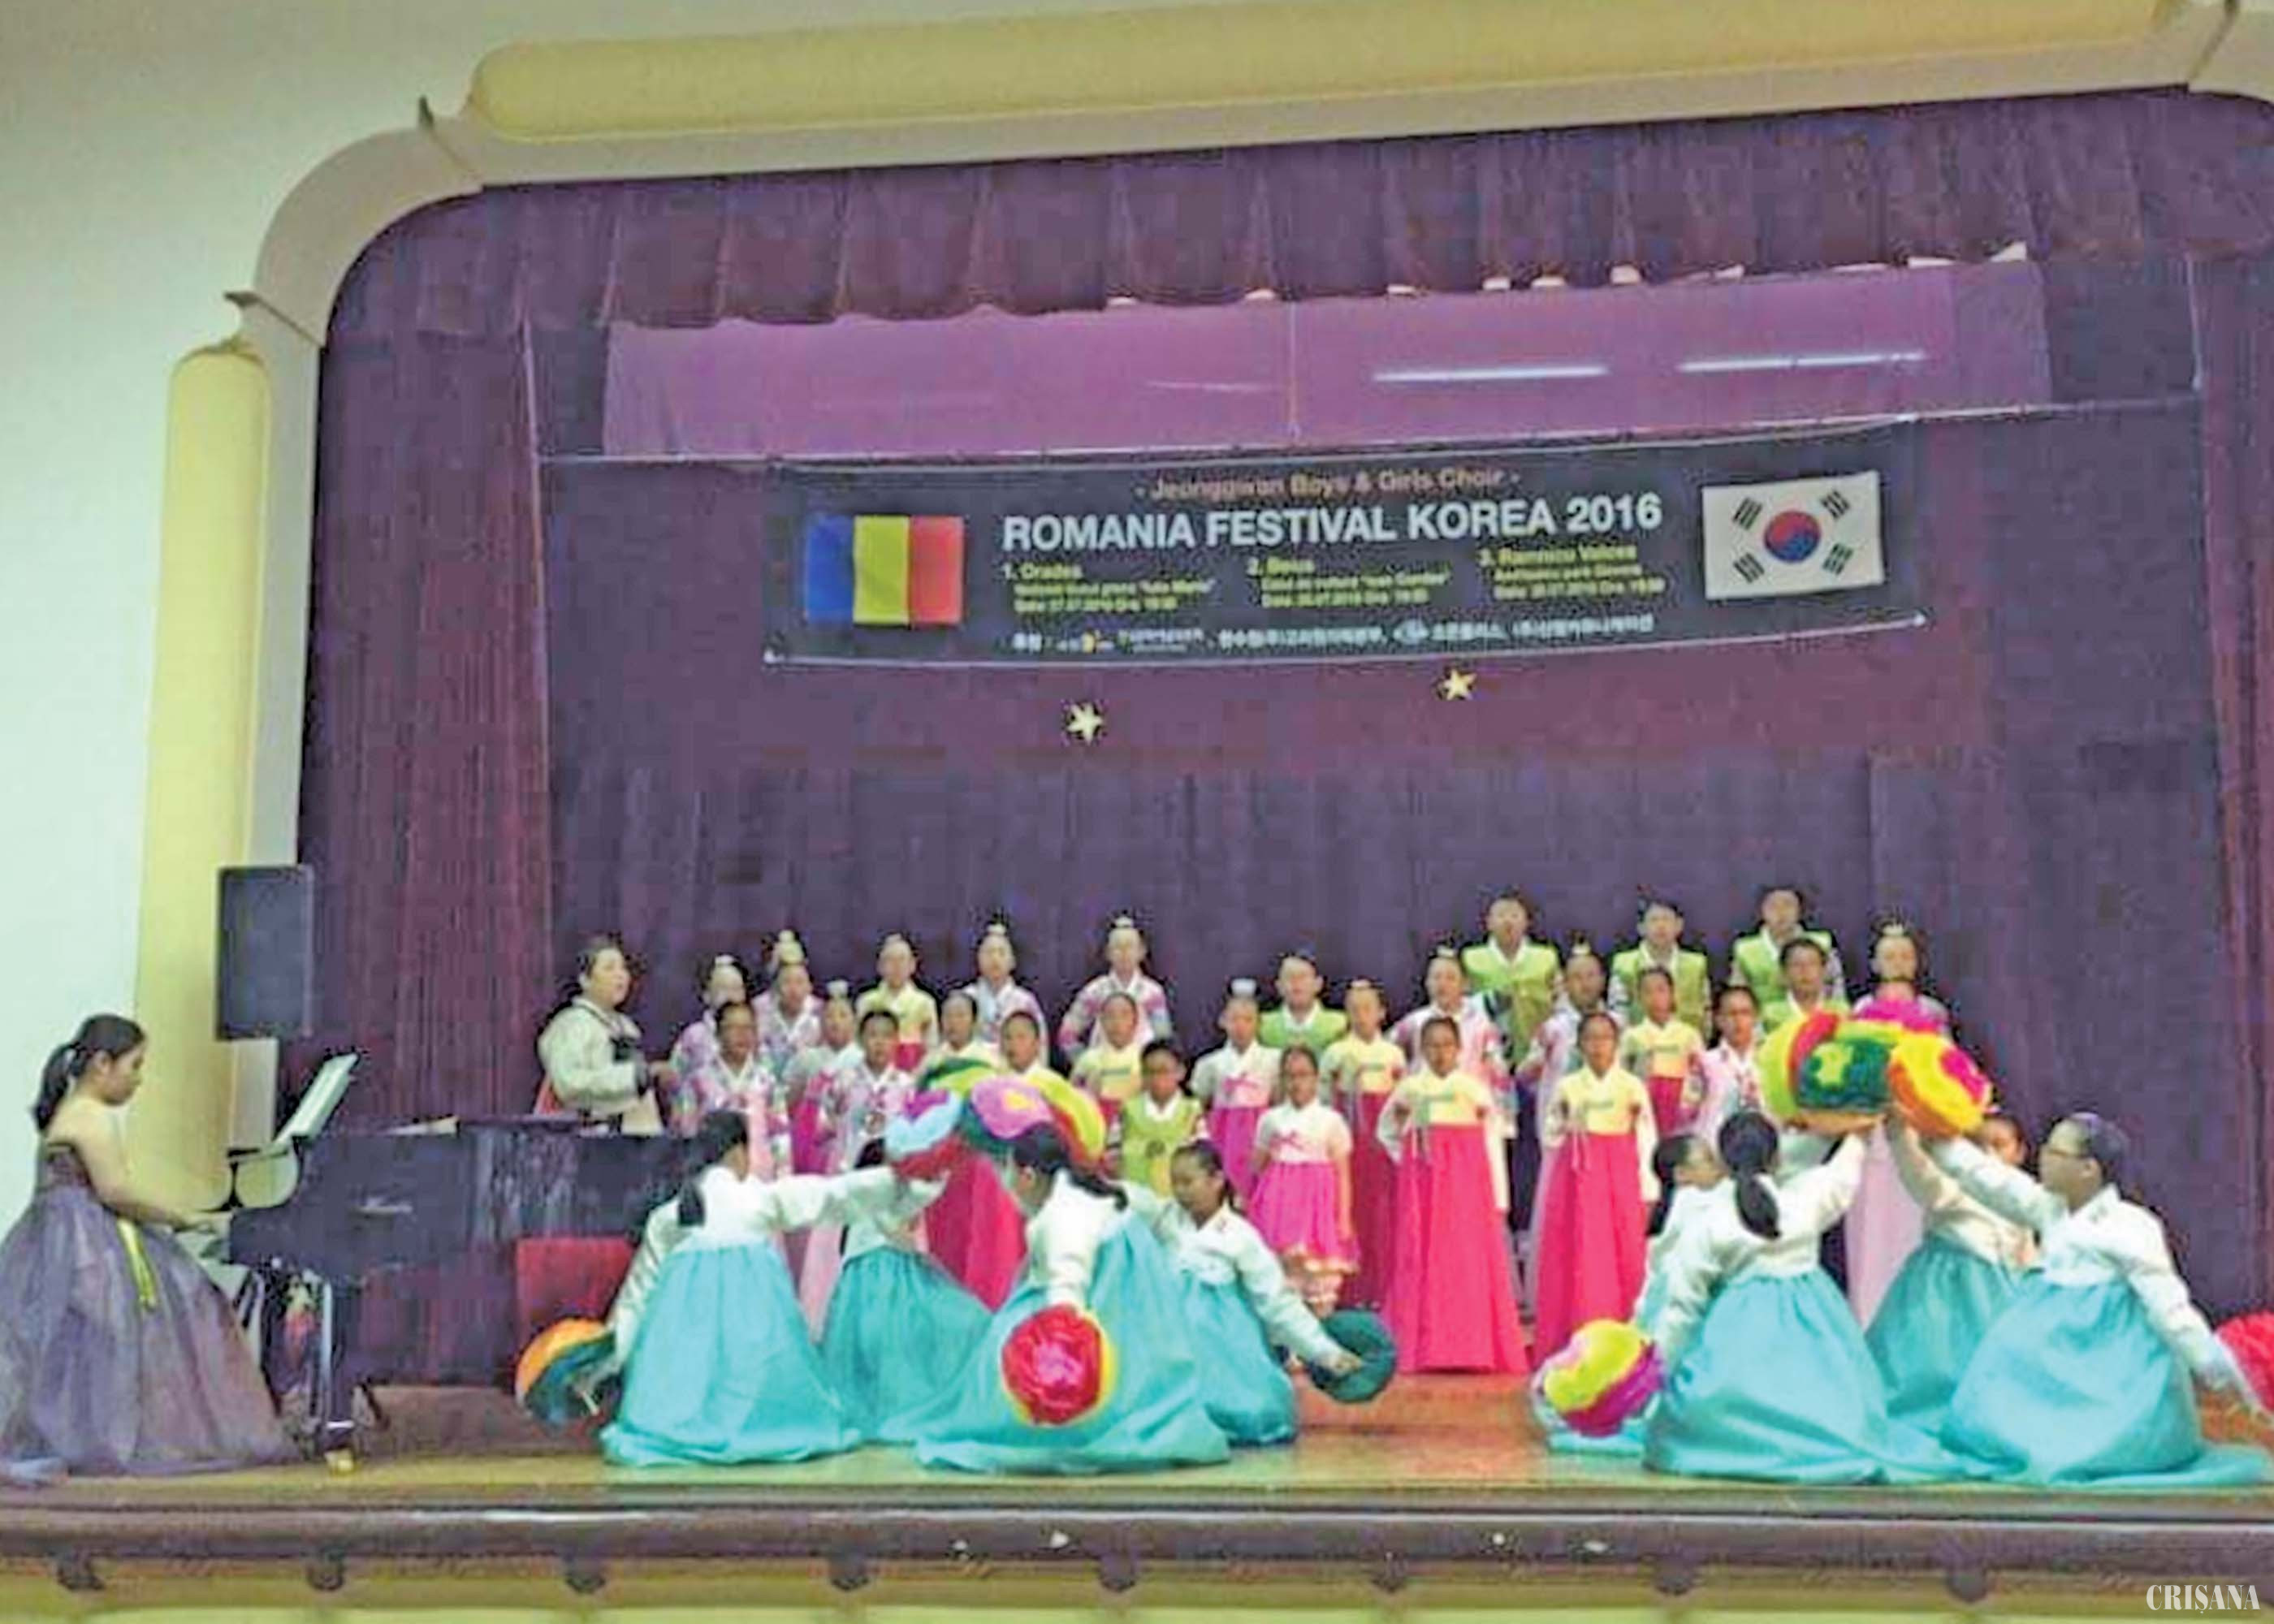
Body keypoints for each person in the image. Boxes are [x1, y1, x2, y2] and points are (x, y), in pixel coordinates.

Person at [0, 1017, 288, 1479]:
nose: (139, 1079)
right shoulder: (91, 1115)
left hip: (57, 1239)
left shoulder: (72, 1110)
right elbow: (116, 1191)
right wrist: (182, 1218)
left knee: (64, 1350)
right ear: (102, 1064)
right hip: (85, 1243)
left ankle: (78, 1438)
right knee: (177, 1306)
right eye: (134, 1066)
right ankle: (114, 1440)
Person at [1926, 1113, 2272, 1487]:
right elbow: (1992, 1182)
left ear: (2088, 1169)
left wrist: (2215, 1369)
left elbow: (2170, 1307)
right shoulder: (2050, 1208)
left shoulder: (2131, 1226)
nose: (2043, 1158)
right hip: (2046, 1354)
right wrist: (1935, 1137)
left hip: (2111, 1366)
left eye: (2056, 1152)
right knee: (2003, 1380)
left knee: (2092, 1437)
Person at [602, 1112, 940, 1466]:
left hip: (683, 1363)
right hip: (756, 1349)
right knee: (770, 1386)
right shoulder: (758, 1201)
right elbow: (834, 1195)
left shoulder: (670, 1216)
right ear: (738, 1154)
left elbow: (637, 1296)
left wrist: (610, 1360)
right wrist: (912, 1177)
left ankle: (687, 1424)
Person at [904, 1125, 1232, 1474]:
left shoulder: (1063, 1214)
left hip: (1093, 1301)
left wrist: (1060, 1351)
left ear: (1028, 1176)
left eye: (1008, 1170)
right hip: (1128, 1308)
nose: (1006, 1181)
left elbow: (1068, 1280)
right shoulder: (1092, 1192)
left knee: (1000, 1361)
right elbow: (1153, 1208)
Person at [1644, 1114, 1952, 1484]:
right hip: (1814, 1326)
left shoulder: (1708, 1220)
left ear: (1724, 1163)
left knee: (1701, 1408)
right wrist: (1858, 1133)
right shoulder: (1804, 1201)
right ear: (1776, 1160)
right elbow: (1841, 1176)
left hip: (1736, 1341)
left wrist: (1654, 1377)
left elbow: (1682, 1308)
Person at [1137, 1142, 1360, 1446]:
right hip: (1169, 1335)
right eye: (1175, 1183)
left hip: (1225, 1346)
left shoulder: (1241, 1237)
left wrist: (1326, 1353)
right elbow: (1126, 1199)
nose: (1180, 1191)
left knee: (1249, 1412)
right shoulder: (1165, 1218)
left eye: (1188, 1182)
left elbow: (1276, 1302)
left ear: (1216, 1180)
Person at [1536, 1131, 1723, 1458]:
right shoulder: (1695, 1203)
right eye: (1706, 1160)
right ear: (1682, 1174)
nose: (1716, 1166)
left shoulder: (1677, 1209)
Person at [1863, 1116, 2036, 1432]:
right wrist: (1900, 1135)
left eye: (1999, 1145)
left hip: (2001, 1294)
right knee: (1925, 1366)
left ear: (2020, 1152)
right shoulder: (1952, 1187)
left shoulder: (2023, 1195)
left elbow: (2027, 1250)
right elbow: (1920, 1176)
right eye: (1977, 1145)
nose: (1988, 1154)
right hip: (1943, 1294)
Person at [1377, 1016, 1528, 1375]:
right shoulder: (1411, 1089)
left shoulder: (1474, 1091)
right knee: (1422, 1255)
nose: (1440, 1053)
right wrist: (1410, 1161)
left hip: (1468, 1189)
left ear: (1459, 1049)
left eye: (1447, 1045)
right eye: (1432, 1045)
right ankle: (1424, 1347)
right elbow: (1387, 1131)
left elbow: (1492, 1141)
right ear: (1421, 1049)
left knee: (1467, 1258)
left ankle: (1470, 1346)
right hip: (1424, 1189)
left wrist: (1498, 1196)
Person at [820, 1144, 992, 1443]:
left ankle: (885, 1409)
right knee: (896, 1345)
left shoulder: (874, 1200)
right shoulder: (874, 1199)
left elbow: (916, 1205)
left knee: (886, 1349)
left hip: (880, 1277)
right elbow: (900, 1225)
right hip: (887, 1277)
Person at [1840, 923, 1952, 1323]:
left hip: (1917, 1125)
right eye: (1889, 956)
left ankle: (1916, 1318)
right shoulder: (1859, 1011)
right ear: (1874, 963)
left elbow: (1947, 1066)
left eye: (1905, 955)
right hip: (1873, 1127)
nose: (1898, 963)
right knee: (1871, 1226)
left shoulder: (1932, 1012)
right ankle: (1868, 1315)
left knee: (1914, 1216)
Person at [1533, 1011, 1657, 1362]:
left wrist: (1648, 1187)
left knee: (1624, 1251)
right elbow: (1550, 1135)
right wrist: (1567, 1124)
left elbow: (1647, 1136)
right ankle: (1578, 1333)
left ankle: (1625, 1336)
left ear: (1617, 1044)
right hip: (1578, 1178)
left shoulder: (1631, 1087)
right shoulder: (1568, 1086)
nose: (1598, 1046)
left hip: (1621, 1174)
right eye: (1591, 1038)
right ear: (1580, 1045)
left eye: (1605, 1038)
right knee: (1581, 1251)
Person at [798, 1010, 915, 1333]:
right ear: (861, 1040)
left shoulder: (907, 1086)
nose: (880, 1043)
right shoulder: (842, 1082)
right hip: (847, 1177)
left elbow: (916, 1138)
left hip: (891, 1182)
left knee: (889, 1246)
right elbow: (821, 1130)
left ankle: (892, 1321)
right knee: (838, 1247)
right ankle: (830, 1319)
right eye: (873, 1035)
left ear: (897, 1041)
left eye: (887, 1036)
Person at [1249, 1046, 1357, 1314]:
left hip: (1317, 1209)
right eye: (1290, 1076)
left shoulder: (1331, 1121)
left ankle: (1320, 1332)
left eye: (1303, 1075)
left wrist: (1343, 1218)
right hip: (1279, 1209)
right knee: (1283, 1281)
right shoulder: (1271, 1120)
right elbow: (1257, 1166)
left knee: (1319, 1281)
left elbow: (1342, 1174)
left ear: (1316, 1078)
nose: (1296, 1083)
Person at [1321, 979, 1405, 1309]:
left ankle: (1386, 1287)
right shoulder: (1336, 1053)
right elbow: (1326, 1101)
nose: (1361, 1015)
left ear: (1381, 1012)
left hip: (1382, 1146)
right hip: (1350, 1143)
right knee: (1351, 1210)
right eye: (1354, 1009)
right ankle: (1353, 1289)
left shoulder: (1393, 1054)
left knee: (1384, 1212)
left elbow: (1401, 1103)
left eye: (1368, 1008)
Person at [536, 935, 670, 1134]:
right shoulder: (573, 1024)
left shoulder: (626, 1027)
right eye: (609, 968)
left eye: (623, 968)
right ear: (585, 980)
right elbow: (569, 1084)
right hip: (586, 1136)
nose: (620, 976)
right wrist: (633, 1077)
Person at [1189, 982, 1283, 1203]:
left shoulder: (1274, 1059)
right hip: (1224, 1134)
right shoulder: (1209, 1063)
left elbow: (1278, 1101)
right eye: (1234, 1019)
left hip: (1260, 1133)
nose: (1240, 1026)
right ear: (1222, 1021)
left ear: (1259, 1023)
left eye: (1248, 1020)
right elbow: (1201, 1104)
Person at [1460, 891, 1562, 1060]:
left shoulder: (1547, 958)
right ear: (1489, 923)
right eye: (1501, 915)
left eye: (1514, 915)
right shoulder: (1471, 959)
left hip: (1538, 1050)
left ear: (1527, 922)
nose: (1508, 922)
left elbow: (1560, 1003)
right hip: (1485, 1053)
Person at [681, 1000, 779, 1176]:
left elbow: (780, 1134)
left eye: (748, 1028)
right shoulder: (698, 1081)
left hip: (760, 1176)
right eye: (733, 1028)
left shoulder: (767, 1081)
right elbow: (687, 1132)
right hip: (711, 1174)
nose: (742, 1035)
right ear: (718, 1034)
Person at [1057, 914, 1174, 1055]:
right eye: (1117, 947)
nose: (1124, 953)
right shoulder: (1095, 991)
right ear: (1108, 953)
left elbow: (1163, 1040)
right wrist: (1084, 1061)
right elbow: (1066, 1035)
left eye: (1130, 946)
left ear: (1142, 952)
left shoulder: (1152, 992)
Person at [780, 982, 860, 1177]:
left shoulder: (863, 1059)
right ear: (820, 1021)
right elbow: (789, 1104)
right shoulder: (805, 1059)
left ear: (855, 1022)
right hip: (812, 1144)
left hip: (852, 1141)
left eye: (843, 1015)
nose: (836, 1022)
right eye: (829, 1016)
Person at [1616, 966, 1706, 1137]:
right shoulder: (1631, 1037)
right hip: (1646, 1104)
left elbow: (1698, 1074)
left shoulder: (1689, 1034)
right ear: (1639, 998)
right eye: (1647, 992)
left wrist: (1690, 1104)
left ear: (1672, 994)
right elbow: (1623, 1075)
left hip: (1680, 1105)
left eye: (1661, 990)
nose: (1655, 998)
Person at [1729, 885, 1848, 1012]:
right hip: (1763, 1018)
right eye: (1773, 906)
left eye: (1788, 905)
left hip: (1815, 1016)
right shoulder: (1745, 950)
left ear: (1800, 910)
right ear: (1762, 911)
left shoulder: (1822, 943)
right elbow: (1737, 995)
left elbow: (1836, 986)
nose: (1781, 913)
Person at [1118, 1039, 1206, 1199]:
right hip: (1135, 1197)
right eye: (1150, 1072)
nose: (1157, 1078)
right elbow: (1112, 1157)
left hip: (1180, 1198)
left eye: (1163, 1071)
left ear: (1180, 1072)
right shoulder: (1127, 1110)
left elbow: (1202, 1158)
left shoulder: (1193, 1112)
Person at [1610, 898, 1712, 1032]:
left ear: (1679, 926)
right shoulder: (1623, 964)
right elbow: (1618, 1013)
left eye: (1666, 920)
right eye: (1654, 920)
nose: (1661, 926)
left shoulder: (1696, 964)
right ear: (1641, 928)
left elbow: (1706, 1012)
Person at [668, 952, 754, 1107]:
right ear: (707, 995)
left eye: (736, 989)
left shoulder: (755, 1032)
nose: (730, 996)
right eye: (723, 989)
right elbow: (675, 1082)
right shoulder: (693, 1037)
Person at [1692, 985, 1766, 1145]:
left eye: (1745, 1013)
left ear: (1756, 1018)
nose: (1738, 1021)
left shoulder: (1769, 1061)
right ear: (1718, 1020)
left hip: (1762, 1144)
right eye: (1731, 1014)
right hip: (1714, 1145)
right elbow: (1689, 1110)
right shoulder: (1704, 1062)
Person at [858, 934, 939, 1072]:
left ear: (913, 965)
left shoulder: (925, 1002)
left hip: (914, 1070)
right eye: (890, 960)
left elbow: (932, 1047)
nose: (897, 966)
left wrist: (918, 1074)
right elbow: (859, 1045)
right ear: (880, 966)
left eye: (902, 960)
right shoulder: (867, 1002)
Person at [961, 922, 1045, 1048]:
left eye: (1002, 953)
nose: (995, 959)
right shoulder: (966, 998)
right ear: (978, 959)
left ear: (1013, 962)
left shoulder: (1025, 1001)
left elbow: (1040, 1045)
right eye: (989, 953)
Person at [1069, 992, 1148, 1123]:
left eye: (1124, 1015)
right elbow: (1073, 1098)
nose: (1117, 1022)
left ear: (1135, 1021)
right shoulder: (1087, 1059)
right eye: (1110, 1016)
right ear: (1101, 1021)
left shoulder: (1145, 1058)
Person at [756, 937, 822, 1076]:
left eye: (799, 982)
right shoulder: (758, 1010)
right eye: (787, 982)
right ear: (776, 986)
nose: (794, 990)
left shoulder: (821, 1012)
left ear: (809, 986)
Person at [1259, 953, 1347, 1057]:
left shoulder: (1340, 1026)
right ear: (1279, 986)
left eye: (1303, 976)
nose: (1296, 982)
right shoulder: (1261, 1026)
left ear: (1318, 984)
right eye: (1289, 977)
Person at [1760, 936, 1848, 1033]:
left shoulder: (1841, 1012)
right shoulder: (1769, 1015)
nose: (1805, 971)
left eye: (1812, 964)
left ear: (1824, 971)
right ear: (1784, 973)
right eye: (1796, 965)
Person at [929, 990, 1001, 1070]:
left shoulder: (990, 1059)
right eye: (948, 1015)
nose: (953, 1021)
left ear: (974, 1021)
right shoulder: (932, 1061)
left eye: (960, 1016)